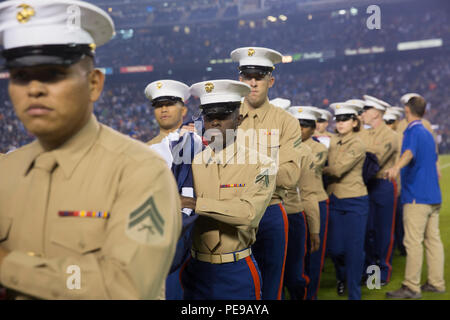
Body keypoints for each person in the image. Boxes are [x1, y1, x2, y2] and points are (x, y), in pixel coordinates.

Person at [0, 0, 181, 299]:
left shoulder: (141, 173)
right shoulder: (7, 171)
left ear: (94, 84)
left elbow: (122, 287)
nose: (33, 89)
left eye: (53, 73)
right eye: (20, 76)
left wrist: (8, 266)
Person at [180, 79, 276, 300]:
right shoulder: (191, 163)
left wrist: (195, 204)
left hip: (236, 270)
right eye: (208, 117)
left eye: (222, 116)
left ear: (238, 119)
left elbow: (249, 214)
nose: (215, 122)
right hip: (196, 270)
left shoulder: (263, 164)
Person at [231, 47, 302, 300]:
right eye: (247, 75)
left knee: (272, 287)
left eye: (259, 76)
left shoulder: (286, 122)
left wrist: (241, 174)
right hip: (232, 210)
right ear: (239, 79)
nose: (253, 82)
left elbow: (290, 175)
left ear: (270, 80)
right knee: (236, 287)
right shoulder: (224, 117)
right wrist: (266, 169)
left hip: (270, 211)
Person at [144, 80, 201, 300]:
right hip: (166, 239)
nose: (164, 109)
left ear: (184, 110)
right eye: (159, 105)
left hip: (203, 235)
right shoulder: (143, 152)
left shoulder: (199, 141)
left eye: (170, 104)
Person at [385, 96, 445, 299]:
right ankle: (437, 283)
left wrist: (395, 167)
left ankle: (411, 286)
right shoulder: (428, 132)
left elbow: (409, 152)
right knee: (433, 241)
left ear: (407, 109)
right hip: (433, 196)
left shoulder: (412, 130)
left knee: (413, 242)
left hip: (416, 197)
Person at [323, 102, 369, 300]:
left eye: (345, 119)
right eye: (338, 119)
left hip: (354, 200)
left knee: (354, 250)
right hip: (334, 199)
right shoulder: (333, 140)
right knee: (335, 249)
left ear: (354, 122)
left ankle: (355, 293)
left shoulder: (357, 143)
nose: (340, 123)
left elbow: (338, 170)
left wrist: (317, 168)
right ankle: (344, 278)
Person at [283, 106, 324, 300]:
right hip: (261, 217)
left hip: (291, 215)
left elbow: (309, 192)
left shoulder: (303, 151)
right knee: (269, 275)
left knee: (294, 277)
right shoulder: (254, 146)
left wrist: (314, 229)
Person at [360, 95, 400, 286]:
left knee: (383, 233)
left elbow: (375, 160)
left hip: (382, 185)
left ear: (376, 113)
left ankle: (381, 274)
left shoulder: (390, 135)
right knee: (368, 232)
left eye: (366, 110)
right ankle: (370, 273)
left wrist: (361, 151)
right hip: (367, 185)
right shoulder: (364, 134)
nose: (363, 114)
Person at [295, 107, 330, 300]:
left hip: (316, 202)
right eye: (298, 124)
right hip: (294, 205)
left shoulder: (319, 149)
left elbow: (304, 170)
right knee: (296, 257)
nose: (301, 129)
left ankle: (311, 296)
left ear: (313, 128)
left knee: (314, 256)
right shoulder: (286, 146)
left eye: (306, 125)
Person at [145, 80, 189, 146]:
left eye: (169, 104)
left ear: (183, 111)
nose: (164, 110)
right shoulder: (146, 150)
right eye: (158, 106)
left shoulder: (198, 145)